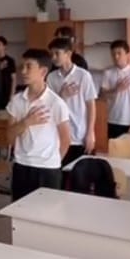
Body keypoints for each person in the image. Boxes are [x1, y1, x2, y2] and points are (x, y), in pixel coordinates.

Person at [5, 48, 70, 201]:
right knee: (19, 211)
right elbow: (8, 137)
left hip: (48, 169)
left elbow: (66, 140)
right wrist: (26, 122)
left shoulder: (56, 103)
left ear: (43, 71)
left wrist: (52, 161)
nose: (23, 71)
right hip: (22, 165)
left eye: (29, 66)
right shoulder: (16, 101)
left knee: (47, 212)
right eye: (22, 66)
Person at [47, 37, 97, 168]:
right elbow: (49, 106)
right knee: (60, 172)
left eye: (57, 53)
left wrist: (90, 133)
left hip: (80, 135)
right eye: (51, 54)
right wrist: (61, 95)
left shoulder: (83, 75)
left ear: (68, 54)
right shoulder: (51, 77)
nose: (53, 57)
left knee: (79, 174)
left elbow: (91, 106)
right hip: (59, 135)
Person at [98, 40, 130, 139]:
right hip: (112, 121)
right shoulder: (108, 73)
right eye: (113, 54)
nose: (116, 57)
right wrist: (116, 89)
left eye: (119, 53)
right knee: (113, 148)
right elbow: (102, 96)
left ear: (127, 54)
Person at [0, 36, 18, 104]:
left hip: (7, 92)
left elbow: (14, 79)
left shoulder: (10, 61)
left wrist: (12, 94)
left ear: (4, 46)